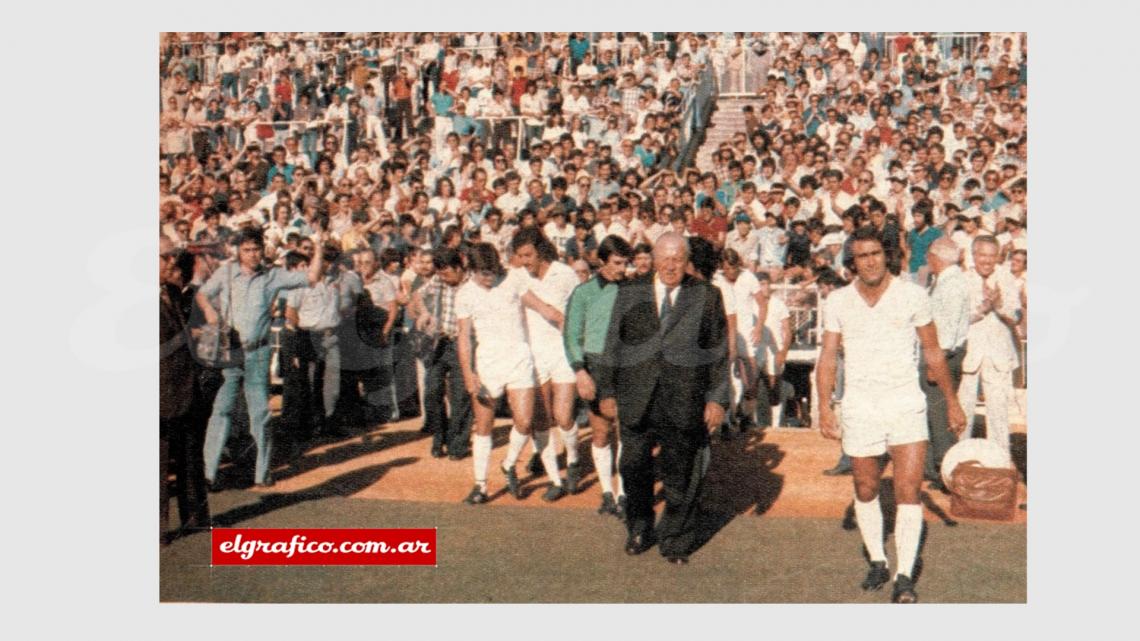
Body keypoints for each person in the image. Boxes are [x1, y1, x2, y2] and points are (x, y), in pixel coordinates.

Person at [816, 225, 966, 603]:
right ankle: (879, 562)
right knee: (865, 488)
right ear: (852, 262)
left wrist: (951, 400)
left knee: (908, 491)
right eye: (862, 256)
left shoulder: (913, 295)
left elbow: (933, 353)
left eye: (876, 254)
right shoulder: (838, 300)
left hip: (904, 403)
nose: (869, 261)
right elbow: (828, 357)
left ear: (888, 256)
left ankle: (903, 576)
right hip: (860, 405)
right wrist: (823, 405)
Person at [594, 233, 730, 564]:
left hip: (684, 397)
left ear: (687, 262)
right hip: (637, 396)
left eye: (678, 259)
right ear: (653, 259)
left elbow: (718, 350)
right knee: (633, 466)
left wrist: (717, 399)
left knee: (680, 471)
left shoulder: (707, 296)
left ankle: (676, 539)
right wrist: (607, 391)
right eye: (665, 258)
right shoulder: (628, 292)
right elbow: (612, 343)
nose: (671, 266)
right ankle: (640, 527)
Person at [197, 227, 325, 488]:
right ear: (238, 251)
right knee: (221, 411)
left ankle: (262, 472)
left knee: (261, 414)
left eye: (256, 249)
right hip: (230, 352)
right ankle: (208, 473)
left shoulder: (273, 276)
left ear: (262, 249)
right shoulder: (226, 272)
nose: (253, 254)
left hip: (258, 352)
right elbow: (201, 294)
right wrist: (210, 311)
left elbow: (312, 277)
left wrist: (319, 247)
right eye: (247, 250)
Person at [455, 242, 563, 504]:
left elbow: (541, 306)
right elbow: (463, 338)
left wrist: (566, 320)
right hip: (487, 364)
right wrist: (469, 374)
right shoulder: (465, 293)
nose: (489, 278)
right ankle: (481, 486)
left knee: (525, 422)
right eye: (482, 273)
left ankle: (508, 463)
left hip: (519, 359)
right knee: (483, 427)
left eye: (492, 271)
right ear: (471, 271)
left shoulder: (514, 279)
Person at [564, 235, 635, 517]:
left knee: (626, 432)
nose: (622, 269)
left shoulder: (632, 290)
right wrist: (580, 371)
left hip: (627, 366)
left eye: (625, 263)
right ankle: (607, 492)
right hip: (597, 365)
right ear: (602, 261)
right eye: (617, 263)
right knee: (601, 432)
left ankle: (623, 494)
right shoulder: (583, 293)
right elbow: (571, 335)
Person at [512, 228, 582, 498]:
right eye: (520, 256)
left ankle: (574, 460)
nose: (525, 261)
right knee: (541, 420)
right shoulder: (517, 276)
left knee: (564, 416)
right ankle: (554, 475)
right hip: (533, 356)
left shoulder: (564, 273)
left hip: (563, 353)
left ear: (540, 251)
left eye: (528, 255)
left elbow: (577, 310)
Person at [160, 237, 209, 543]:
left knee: (191, 457)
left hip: (186, 389)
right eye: (166, 257)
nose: (172, 263)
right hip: (160, 394)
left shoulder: (173, 294)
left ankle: (196, 519)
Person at [957, 235, 1021, 456]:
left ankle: (1000, 461)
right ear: (974, 256)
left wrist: (999, 304)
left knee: (998, 412)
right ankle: (959, 460)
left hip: (999, 355)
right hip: (969, 355)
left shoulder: (1007, 278)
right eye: (982, 255)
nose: (986, 261)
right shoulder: (962, 279)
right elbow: (955, 320)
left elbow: (1015, 316)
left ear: (998, 257)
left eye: (992, 256)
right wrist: (982, 309)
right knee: (962, 409)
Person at [409, 247, 472, 460]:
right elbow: (417, 294)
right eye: (441, 273)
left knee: (460, 396)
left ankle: (458, 444)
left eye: (447, 273)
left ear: (459, 266)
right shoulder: (439, 280)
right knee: (432, 392)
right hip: (440, 342)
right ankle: (440, 436)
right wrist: (425, 312)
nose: (443, 277)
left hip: (463, 344)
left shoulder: (473, 283)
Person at [922, 238, 971, 491]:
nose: (926, 260)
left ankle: (947, 474)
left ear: (935, 256)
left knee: (940, 415)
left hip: (942, 356)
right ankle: (934, 470)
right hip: (939, 354)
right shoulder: (946, 280)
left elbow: (948, 327)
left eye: (929, 255)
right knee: (933, 414)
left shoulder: (951, 284)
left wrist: (934, 362)